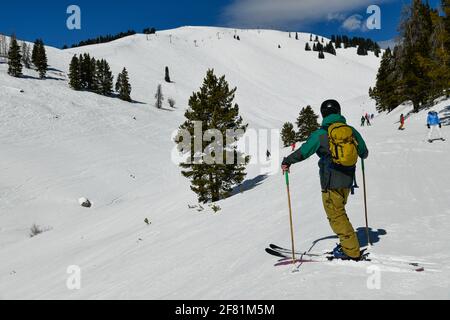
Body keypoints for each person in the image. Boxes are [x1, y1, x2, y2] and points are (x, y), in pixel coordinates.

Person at [281, 100, 369, 261]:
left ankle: (351, 250)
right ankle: (348, 243)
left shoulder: (320, 134)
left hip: (330, 183)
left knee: (336, 216)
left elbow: (304, 152)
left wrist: (287, 161)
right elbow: (364, 152)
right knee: (339, 212)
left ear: (323, 114)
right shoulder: (351, 131)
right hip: (348, 182)